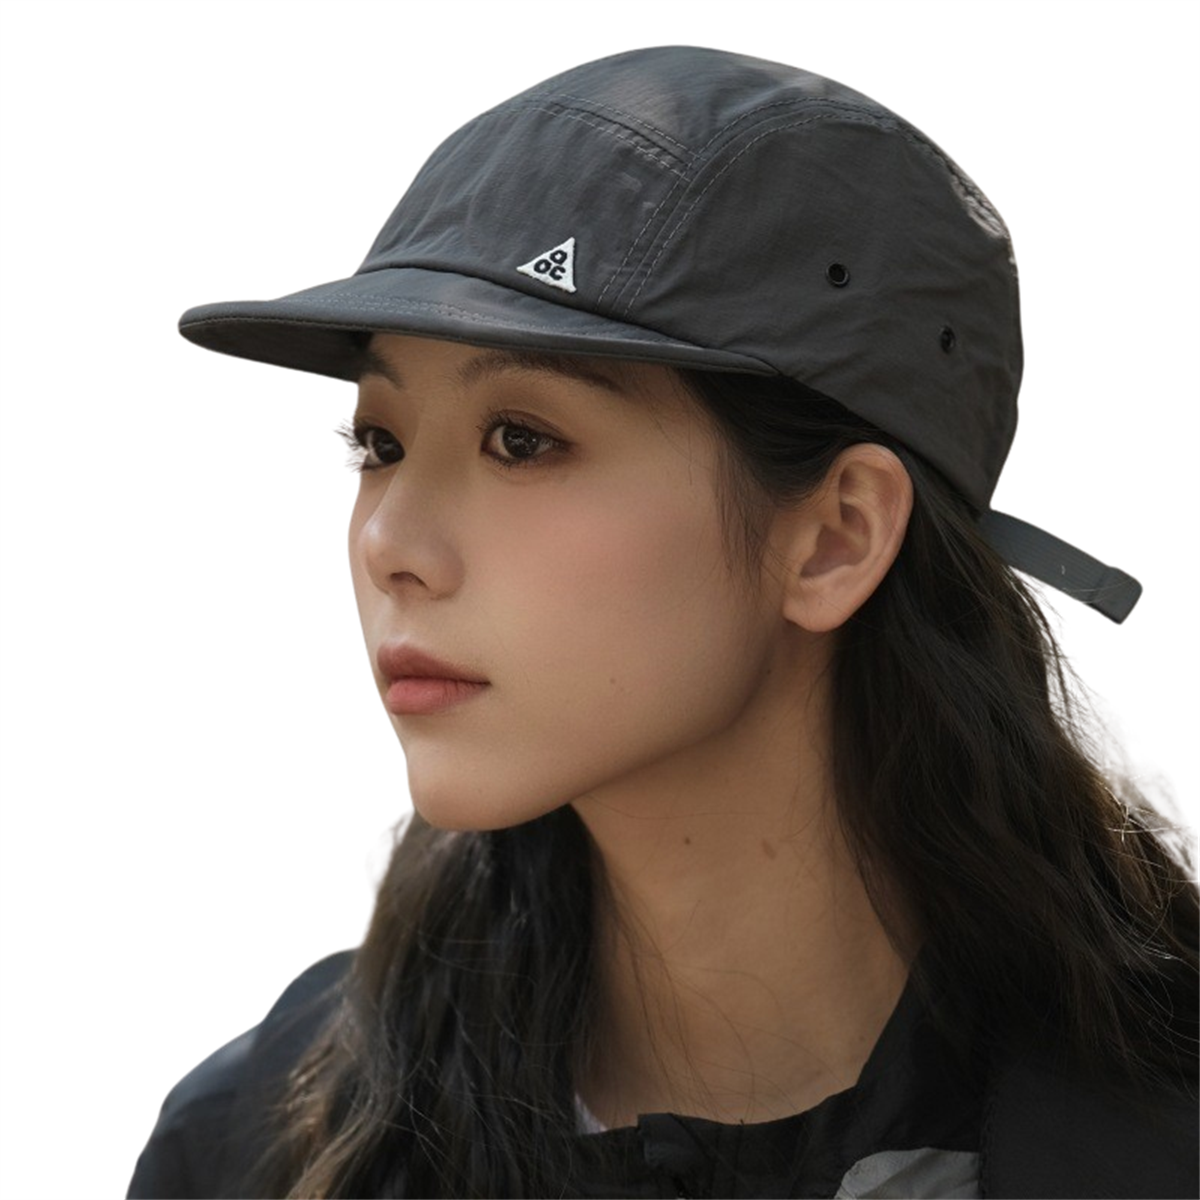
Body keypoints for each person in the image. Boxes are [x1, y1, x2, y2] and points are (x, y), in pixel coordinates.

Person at [126, 46, 1199, 1200]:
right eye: (379, 443)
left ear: (835, 537)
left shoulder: (1153, 1136)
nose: (392, 543)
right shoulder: (259, 1143)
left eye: (521, 441)